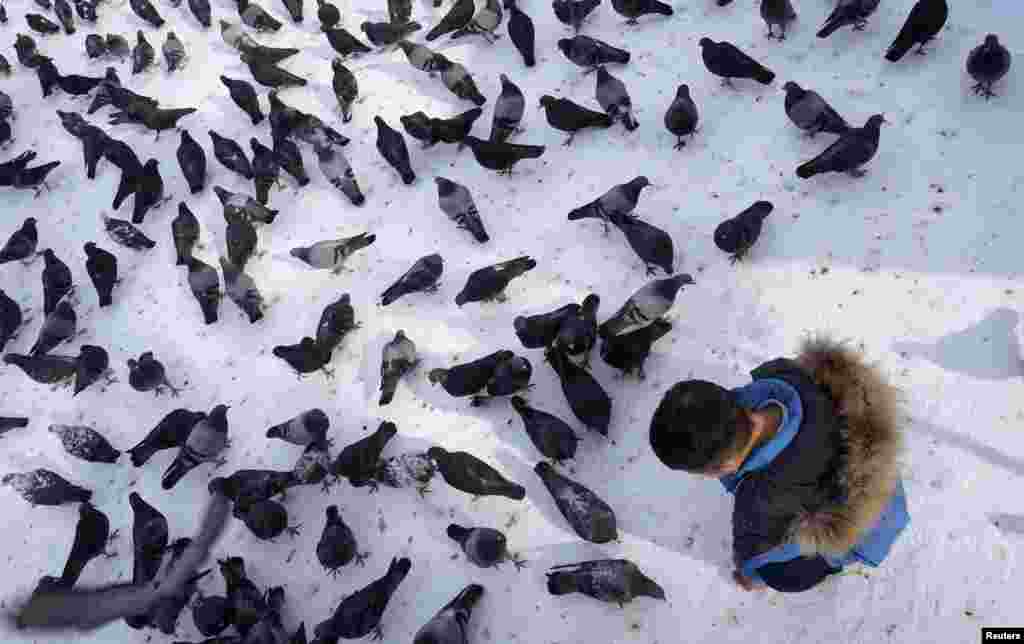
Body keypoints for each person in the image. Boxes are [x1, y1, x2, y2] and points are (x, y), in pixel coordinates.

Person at [649, 335, 909, 593]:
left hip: (863, 536)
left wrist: (748, 573)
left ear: (721, 467)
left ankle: (828, 566)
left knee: (781, 575)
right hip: (883, 487)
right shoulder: (787, 380)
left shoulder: (759, 501)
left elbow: (757, 550)